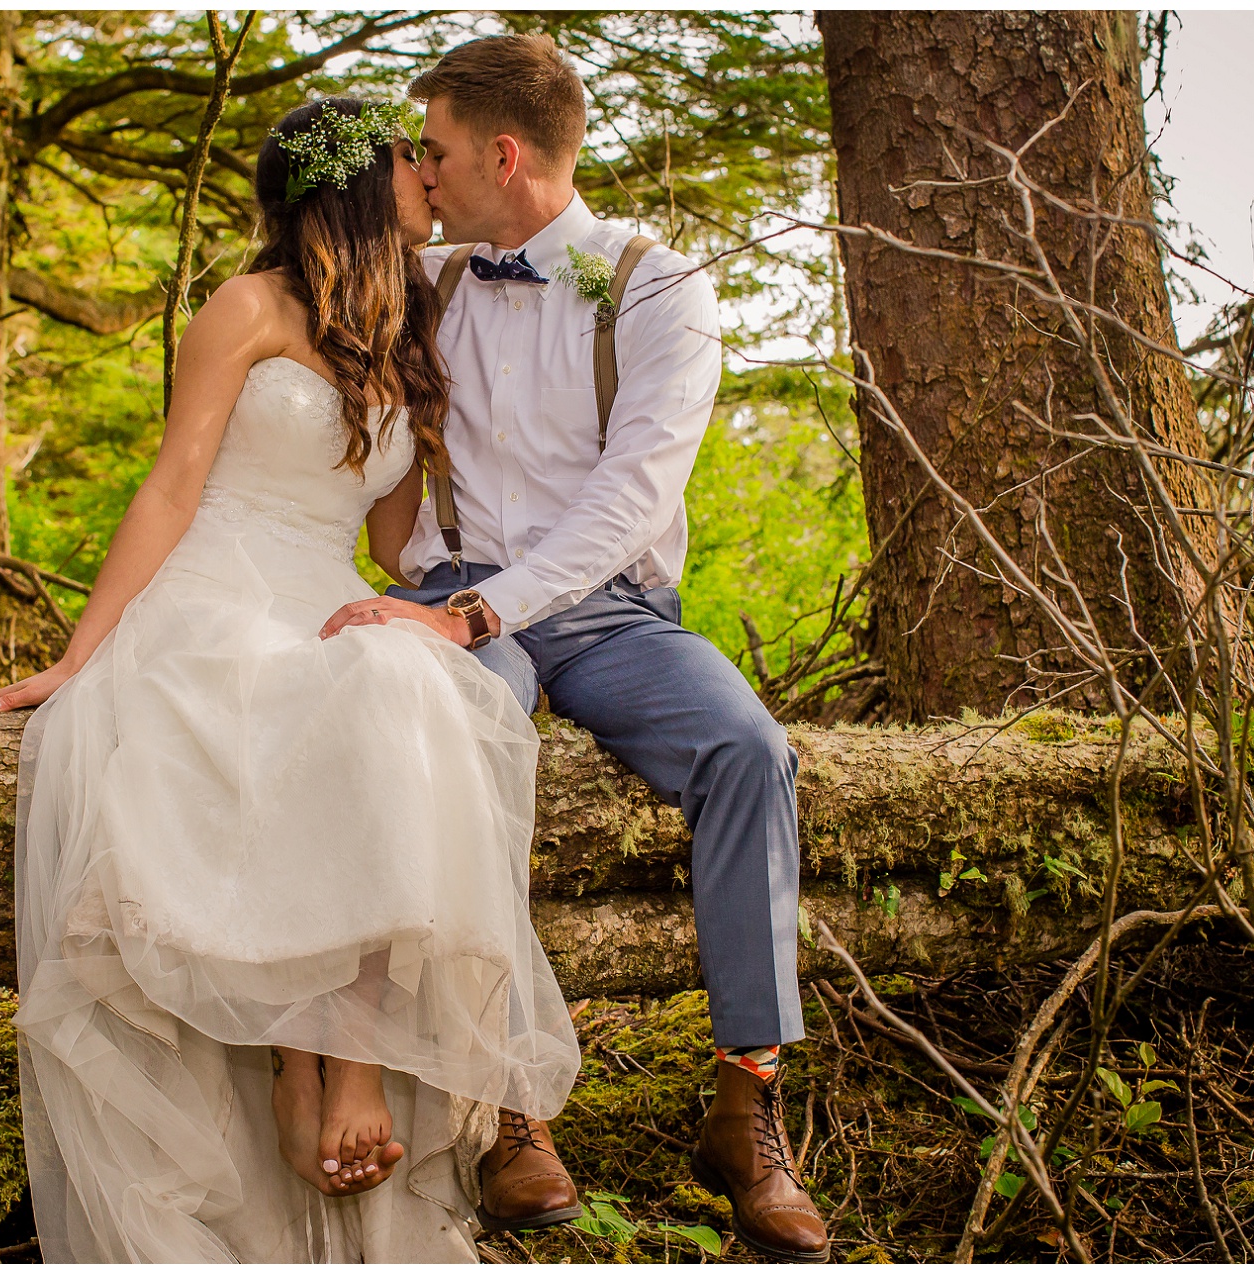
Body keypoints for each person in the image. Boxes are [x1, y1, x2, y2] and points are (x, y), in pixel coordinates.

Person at [0, 97, 579, 1261]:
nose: (427, 173)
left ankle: (339, 1064)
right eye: (408, 158)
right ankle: (313, 1072)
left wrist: (489, 593)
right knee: (338, 700)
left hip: (323, 591)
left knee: (391, 681)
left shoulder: (408, 334)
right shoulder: (244, 306)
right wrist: (74, 654)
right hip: (213, 591)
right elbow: (169, 487)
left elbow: (398, 546)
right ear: (356, 184)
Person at [331, 35, 827, 1261]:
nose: (420, 171)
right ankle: (506, 1106)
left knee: (746, 747)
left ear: (502, 154)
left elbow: (625, 501)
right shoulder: (426, 278)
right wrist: (431, 596)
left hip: (608, 608)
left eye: (433, 149)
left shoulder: (654, 286)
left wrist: (479, 614)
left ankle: (744, 1107)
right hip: (455, 589)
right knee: (465, 741)